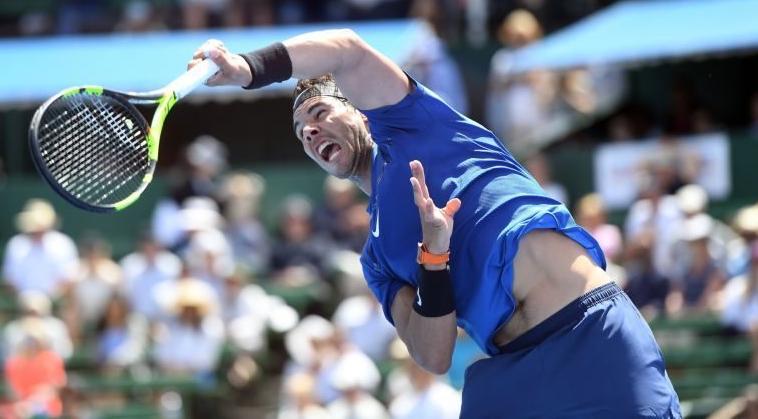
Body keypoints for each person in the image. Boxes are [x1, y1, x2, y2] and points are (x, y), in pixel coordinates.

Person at [187, 29, 680, 416]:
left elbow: (347, 49)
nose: (310, 131)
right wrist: (433, 258)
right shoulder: (377, 258)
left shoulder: (417, 124)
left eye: (318, 112)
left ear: (359, 111)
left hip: (591, 335)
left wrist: (249, 68)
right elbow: (432, 354)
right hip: (511, 377)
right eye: (301, 134)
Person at [1, 199, 79, 298]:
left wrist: (52, 299)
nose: (37, 230)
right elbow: (9, 279)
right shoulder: (16, 245)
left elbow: (69, 277)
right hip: (23, 302)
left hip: (55, 302)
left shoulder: (63, 244)